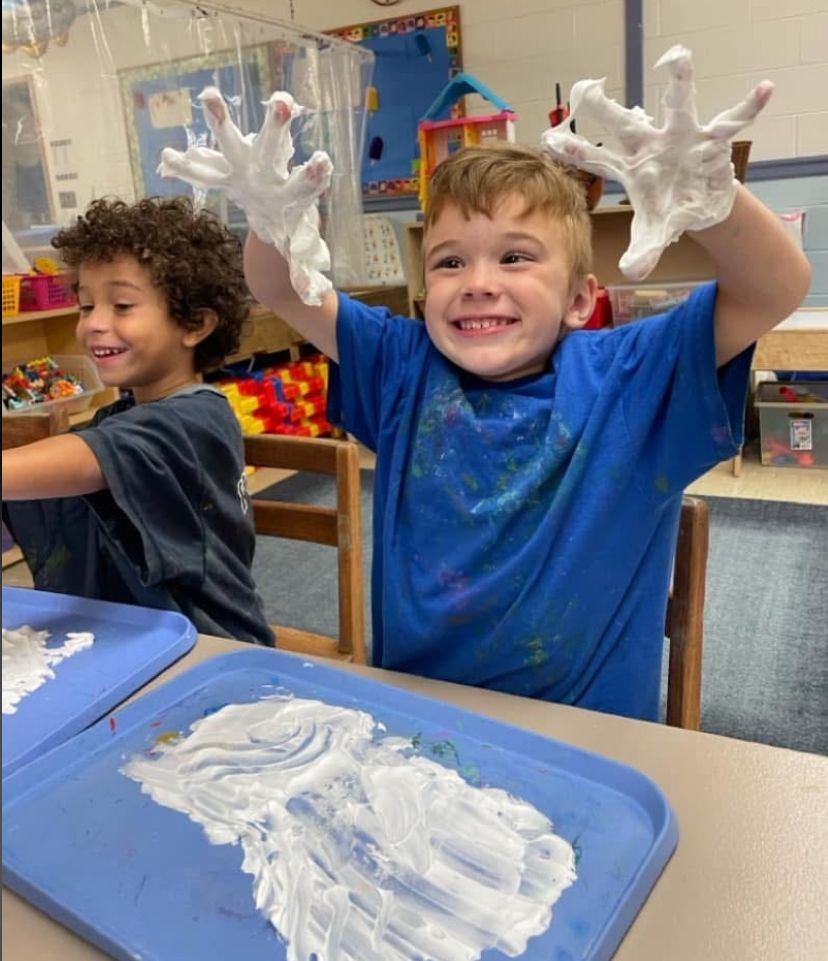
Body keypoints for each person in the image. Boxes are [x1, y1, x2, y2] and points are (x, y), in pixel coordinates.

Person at [162, 50, 811, 718]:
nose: (477, 281)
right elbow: (280, 289)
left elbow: (776, 286)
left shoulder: (632, 375)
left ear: (582, 299)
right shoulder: (401, 364)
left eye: (515, 256)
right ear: (425, 288)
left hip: (587, 743)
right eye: (449, 261)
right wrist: (270, 224)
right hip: (420, 726)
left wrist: (712, 201)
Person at [2, 196, 274, 646]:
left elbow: (88, 460)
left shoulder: (194, 420)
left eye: (122, 305)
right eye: (87, 306)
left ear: (194, 324)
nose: (93, 324)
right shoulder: (123, 413)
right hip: (131, 639)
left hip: (205, 648)